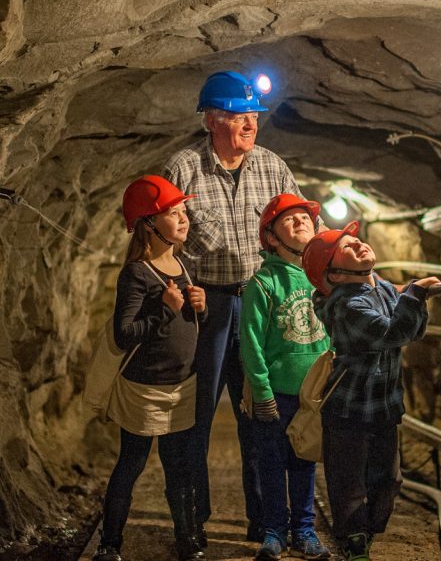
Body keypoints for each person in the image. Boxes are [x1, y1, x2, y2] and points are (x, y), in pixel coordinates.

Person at [163, 70, 310, 545]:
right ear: (211, 120)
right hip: (206, 308)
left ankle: (264, 522)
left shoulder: (273, 168)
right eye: (238, 115)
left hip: (260, 304)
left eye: (253, 115)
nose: (250, 123)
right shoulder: (183, 169)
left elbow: (301, 233)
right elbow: (162, 241)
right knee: (194, 419)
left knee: (261, 416)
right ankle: (191, 523)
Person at [300, 222, 440, 561]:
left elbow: (413, 331)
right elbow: (392, 334)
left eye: (356, 240)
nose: (359, 244)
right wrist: (414, 295)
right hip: (349, 408)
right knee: (349, 482)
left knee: (388, 480)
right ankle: (354, 541)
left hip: (384, 406)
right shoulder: (347, 305)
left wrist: (413, 298)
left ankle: (367, 530)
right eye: (346, 247)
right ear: (335, 275)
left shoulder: (383, 288)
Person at [96, 175, 207, 561]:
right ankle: (109, 543)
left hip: (181, 385)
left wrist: (200, 307)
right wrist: (165, 309)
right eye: (172, 213)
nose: (184, 218)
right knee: (131, 463)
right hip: (144, 388)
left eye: (183, 211)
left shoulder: (182, 265)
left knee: (179, 468)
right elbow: (124, 333)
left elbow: (187, 325)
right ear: (147, 224)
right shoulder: (137, 273)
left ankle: (186, 539)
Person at [239, 194, 334, 561]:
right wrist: (261, 391)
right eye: (289, 220)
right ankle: (275, 531)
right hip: (277, 393)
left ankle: (304, 531)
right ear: (272, 238)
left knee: (304, 461)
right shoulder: (263, 283)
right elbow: (250, 342)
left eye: (305, 218)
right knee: (272, 463)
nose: (300, 222)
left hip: (312, 394)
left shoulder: (323, 279)